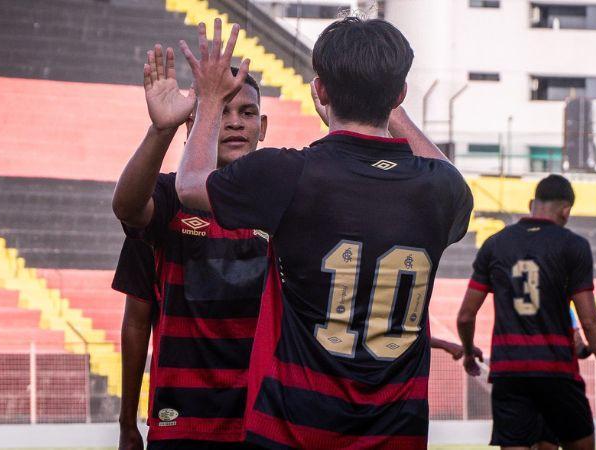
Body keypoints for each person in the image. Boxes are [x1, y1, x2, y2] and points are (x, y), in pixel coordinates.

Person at [174, 17, 474, 449]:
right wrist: (394, 113)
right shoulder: (440, 188)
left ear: (320, 90)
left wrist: (207, 100)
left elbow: (188, 184)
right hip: (397, 433)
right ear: (400, 94)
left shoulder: (288, 173)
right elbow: (449, 174)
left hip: (295, 429)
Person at [111, 43, 269, 449]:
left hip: (263, 419)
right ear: (189, 126)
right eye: (218, 112)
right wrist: (128, 423)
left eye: (246, 113)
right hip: (179, 424)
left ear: (262, 127)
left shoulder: (279, 203)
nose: (234, 123)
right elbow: (135, 322)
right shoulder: (165, 197)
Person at [456, 175, 596, 450]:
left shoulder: (495, 244)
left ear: (532, 204)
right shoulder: (573, 245)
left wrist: (469, 352)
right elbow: (589, 320)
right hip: (556, 370)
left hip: (509, 372)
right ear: (566, 210)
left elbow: (466, 316)